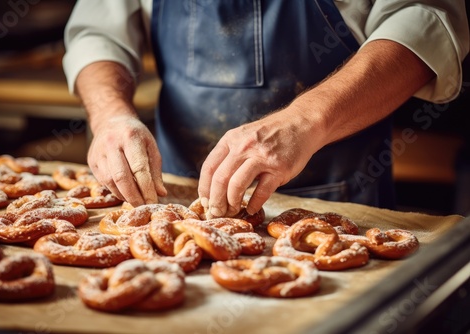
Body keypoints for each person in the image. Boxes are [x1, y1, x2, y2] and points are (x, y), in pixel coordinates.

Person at [63, 0, 469, 218]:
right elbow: (98, 32)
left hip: (344, 196)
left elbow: (423, 19)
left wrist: (305, 120)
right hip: (172, 194)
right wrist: (110, 114)